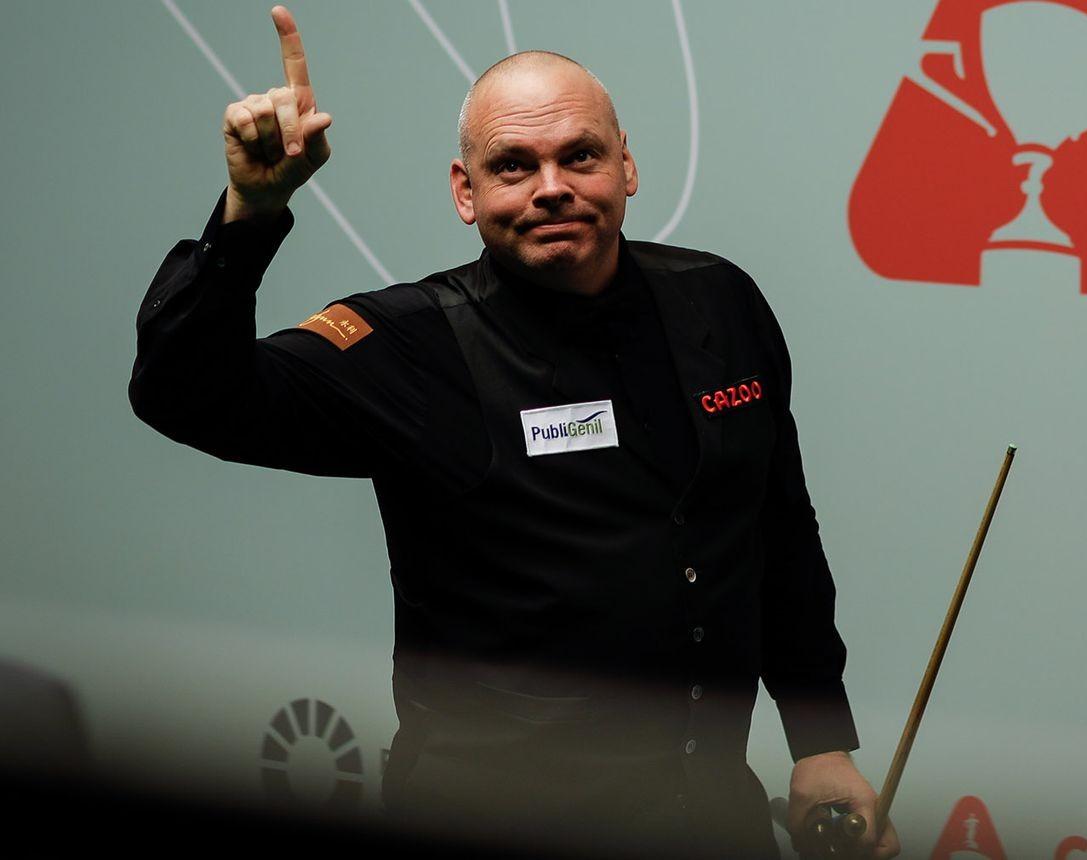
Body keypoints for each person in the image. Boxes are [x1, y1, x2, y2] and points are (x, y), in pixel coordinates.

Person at [129, 6, 900, 859]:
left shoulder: (720, 301)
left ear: (627, 164)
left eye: (580, 156)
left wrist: (820, 743)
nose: (551, 186)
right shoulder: (410, 345)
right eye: (513, 165)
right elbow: (184, 395)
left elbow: (777, 529)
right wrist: (250, 211)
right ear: (466, 192)